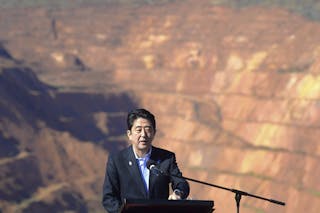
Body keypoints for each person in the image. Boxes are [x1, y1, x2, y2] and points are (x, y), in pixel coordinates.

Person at [102, 108, 190, 213]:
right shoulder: (117, 160)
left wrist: (178, 193)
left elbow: (181, 183)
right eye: (138, 130)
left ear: (154, 133)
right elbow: (109, 198)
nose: (143, 135)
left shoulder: (166, 158)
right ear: (129, 134)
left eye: (148, 129)